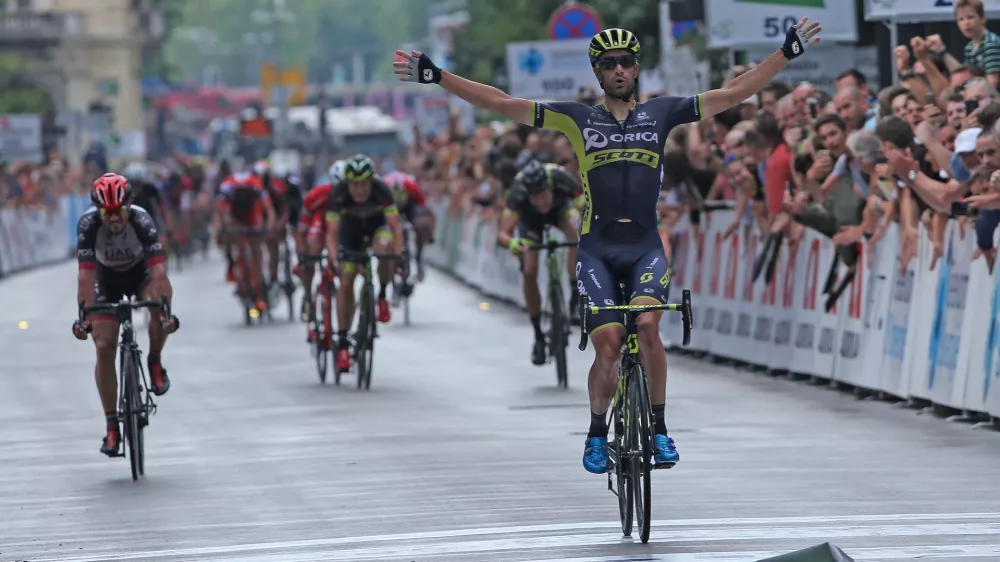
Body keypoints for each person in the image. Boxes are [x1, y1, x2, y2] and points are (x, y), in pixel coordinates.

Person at [394, 19, 822, 473]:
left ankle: (658, 427)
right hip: (597, 248)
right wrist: (438, 75)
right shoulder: (576, 118)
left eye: (627, 62)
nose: (619, 69)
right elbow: (501, 102)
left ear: (637, 69)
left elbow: (733, 94)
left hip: (643, 247)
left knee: (649, 328)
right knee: (610, 346)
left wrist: (785, 54)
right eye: (609, 64)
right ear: (597, 74)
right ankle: (597, 432)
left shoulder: (662, 113)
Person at [72, 173, 177, 457]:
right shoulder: (88, 224)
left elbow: (159, 272)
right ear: (99, 210)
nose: (114, 218)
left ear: (128, 206)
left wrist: (165, 311)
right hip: (105, 279)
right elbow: (85, 277)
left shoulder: (142, 220)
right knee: (104, 346)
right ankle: (111, 426)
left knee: (157, 306)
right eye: (107, 212)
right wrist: (84, 317)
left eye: (118, 211)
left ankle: (154, 361)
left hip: (139, 273)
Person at [496, 160, 584, 365]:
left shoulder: (561, 178)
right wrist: (513, 242)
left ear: (550, 187)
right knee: (529, 270)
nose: (541, 202)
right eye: (535, 198)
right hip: (530, 221)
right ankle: (537, 334)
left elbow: (587, 209)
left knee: (576, 234)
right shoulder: (518, 191)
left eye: (543, 195)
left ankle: (574, 292)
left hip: (561, 211)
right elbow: (502, 234)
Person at [324, 154, 405, 372]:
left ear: (372, 182)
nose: (359, 190)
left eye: (364, 184)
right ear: (347, 183)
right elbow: (331, 234)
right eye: (354, 185)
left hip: (377, 229)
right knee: (346, 280)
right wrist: (333, 258)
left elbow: (396, 228)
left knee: (385, 248)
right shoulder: (338, 194)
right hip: (349, 235)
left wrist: (399, 256)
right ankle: (342, 340)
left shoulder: (382, 191)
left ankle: (381, 295)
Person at [215, 169, 276, 313]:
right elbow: (220, 214)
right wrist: (220, 232)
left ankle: (258, 284)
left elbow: (269, 211)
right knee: (230, 236)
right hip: (234, 214)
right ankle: (235, 265)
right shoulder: (227, 187)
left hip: (251, 214)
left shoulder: (256, 186)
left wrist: (268, 229)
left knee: (256, 247)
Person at [295, 161, 345, 322]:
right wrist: (302, 255)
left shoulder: (353, 196)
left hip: (341, 225)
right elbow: (301, 230)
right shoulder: (316, 195)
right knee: (312, 246)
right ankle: (308, 293)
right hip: (320, 222)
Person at [382, 169, 436, 281]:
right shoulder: (383, 187)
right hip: (388, 205)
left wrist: (429, 234)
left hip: (410, 205)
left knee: (420, 224)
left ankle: (419, 255)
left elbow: (430, 213)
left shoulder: (412, 188)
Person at [253, 160, 290, 291]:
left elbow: (284, 212)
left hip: (277, 216)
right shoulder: (250, 189)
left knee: (273, 242)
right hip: (258, 219)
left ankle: (273, 276)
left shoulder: (277, 189)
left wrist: (277, 227)